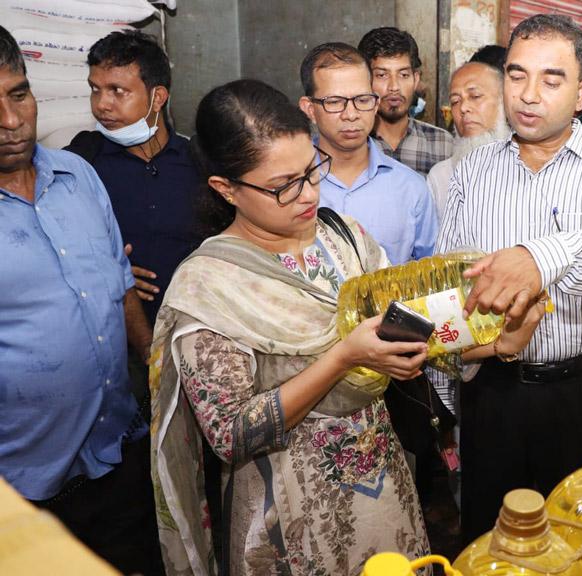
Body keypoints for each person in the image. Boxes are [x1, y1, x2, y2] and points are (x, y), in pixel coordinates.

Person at [149, 79, 435, 575]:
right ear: (226, 189)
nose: (308, 194)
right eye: (283, 185)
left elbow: (402, 324)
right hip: (286, 512)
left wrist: (481, 339)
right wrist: (343, 357)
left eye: (312, 171)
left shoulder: (342, 236)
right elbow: (232, 434)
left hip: (381, 486)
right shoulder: (208, 285)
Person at [437, 13, 582, 542]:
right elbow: (451, 291)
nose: (529, 94)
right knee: (492, 535)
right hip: (494, 390)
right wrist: (479, 350)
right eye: (516, 75)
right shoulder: (471, 171)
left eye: (551, 79)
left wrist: (538, 257)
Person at [0, 24, 162, 574]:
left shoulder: (79, 174)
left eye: (18, 94)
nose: (10, 120)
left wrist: (154, 363)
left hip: (118, 451)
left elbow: (118, 285)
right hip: (24, 487)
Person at [67, 30, 203, 403]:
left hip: (199, 340)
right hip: (117, 353)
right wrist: (108, 272)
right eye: (95, 90)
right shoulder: (79, 163)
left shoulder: (197, 162)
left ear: (157, 97)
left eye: (117, 91)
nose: (102, 105)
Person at [298, 42, 436, 265]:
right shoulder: (290, 187)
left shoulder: (411, 188)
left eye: (362, 100)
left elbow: (432, 274)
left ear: (375, 105)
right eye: (334, 102)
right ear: (309, 109)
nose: (351, 114)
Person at [359, 27, 453, 176]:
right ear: (364, 80)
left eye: (403, 75)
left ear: (415, 79)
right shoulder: (352, 142)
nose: (394, 87)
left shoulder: (443, 145)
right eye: (382, 75)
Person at [427, 58, 510, 217]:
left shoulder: (530, 168)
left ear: (503, 101)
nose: (463, 108)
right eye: (455, 101)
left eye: (475, 96)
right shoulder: (440, 177)